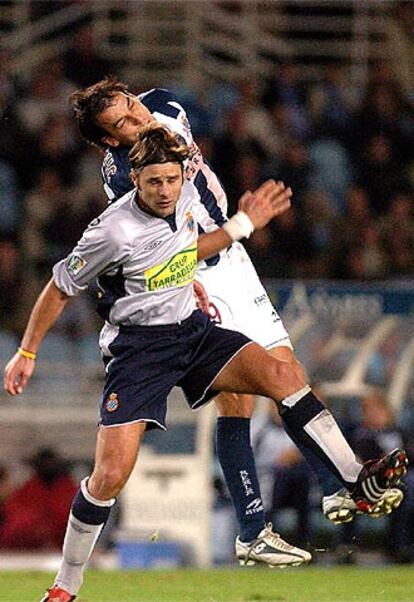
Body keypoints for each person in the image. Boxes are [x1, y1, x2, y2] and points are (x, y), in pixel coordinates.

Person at [3, 125, 408, 602]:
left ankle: (352, 480)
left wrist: (241, 225)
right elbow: (58, 288)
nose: (164, 190)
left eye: (171, 180)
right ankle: (65, 587)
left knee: (284, 375)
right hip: (140, 353)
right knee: (110, 475)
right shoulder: (110, 231)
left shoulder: (186, 197)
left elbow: (190, 249)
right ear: (135, 178)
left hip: (193, 334)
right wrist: (27, 351)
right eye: (153, 182)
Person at [70, 77, 402, 530]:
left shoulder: (166, 104)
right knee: (238, 398)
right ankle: (252, 527)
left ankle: (334, 488)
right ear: (110, 140)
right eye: (122, 123)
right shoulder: (122, 173)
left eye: (130, 104)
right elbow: (156, 245)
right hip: (198, 268)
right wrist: (185, 281)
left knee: (289, 374)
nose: (135, 117)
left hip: (235, 258)